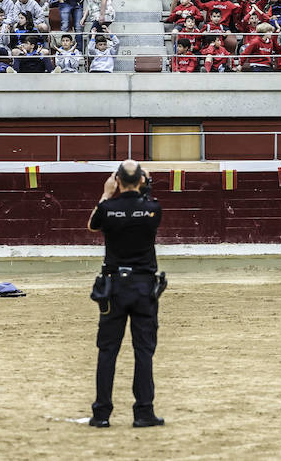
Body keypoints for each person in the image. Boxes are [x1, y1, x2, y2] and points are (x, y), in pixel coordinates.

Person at [86, 159, 166, 428]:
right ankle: (144, 411)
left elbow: (92, 225)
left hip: (114, 287)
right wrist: (145, 184)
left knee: (107, 351)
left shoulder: (108, 209)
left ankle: (101, 414)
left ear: (117, 180)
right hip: (144, 287)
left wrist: (107, 193)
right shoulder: (153, 209)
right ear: (142, 181)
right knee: (144, 351)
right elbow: (145, 203)